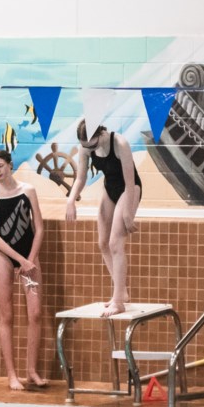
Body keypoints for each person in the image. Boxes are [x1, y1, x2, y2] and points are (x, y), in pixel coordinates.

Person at [0, 150, 47, 390]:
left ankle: (31, 371)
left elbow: (38, 228)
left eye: (0, 166)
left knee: (36, 313)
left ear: (10, 165)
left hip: (29, 259)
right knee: (7, 315)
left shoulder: (28, 191)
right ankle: (12, 375)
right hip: (4, 259)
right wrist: (20, 260)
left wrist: (30, 260)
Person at [66, 120, 142, 317]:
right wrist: (70, 201)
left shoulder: (120, 143)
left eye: (91, 145)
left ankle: (118, 302)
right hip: (110, 189)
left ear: (100, 134)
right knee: (102, 243)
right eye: (85, 146)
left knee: (115, 243)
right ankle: (121, 291)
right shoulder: (86, 147)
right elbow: (81, 178)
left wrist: (127, 212)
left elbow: (129, 181)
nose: (89, 149)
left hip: (129, 189)